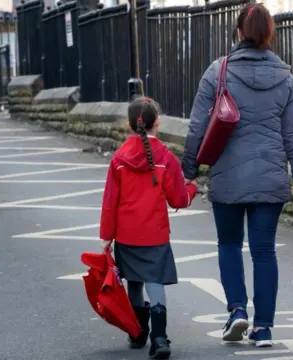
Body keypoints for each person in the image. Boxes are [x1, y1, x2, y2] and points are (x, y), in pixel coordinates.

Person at [181, 3, 293, 348]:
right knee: (264, 252)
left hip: (228, 176)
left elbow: (197, 127)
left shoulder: (217, 71)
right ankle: (263, 328)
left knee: (230, 244)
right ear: (269, 34)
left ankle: (237, 309)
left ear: (238, 33)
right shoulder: (287, 78)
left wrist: (187, 172)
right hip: (270, 178)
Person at [100, 96, 198, 359]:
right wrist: (192, 188)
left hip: (127, 234)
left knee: (134, 281)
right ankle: (158, 337)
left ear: (130, 125)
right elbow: (179, 199)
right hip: (154, 233)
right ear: (157, 123)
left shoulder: (119, 159)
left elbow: (110, 201)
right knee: (155, 282)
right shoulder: (166, 158)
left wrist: (107, 237)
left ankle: (137, 330)